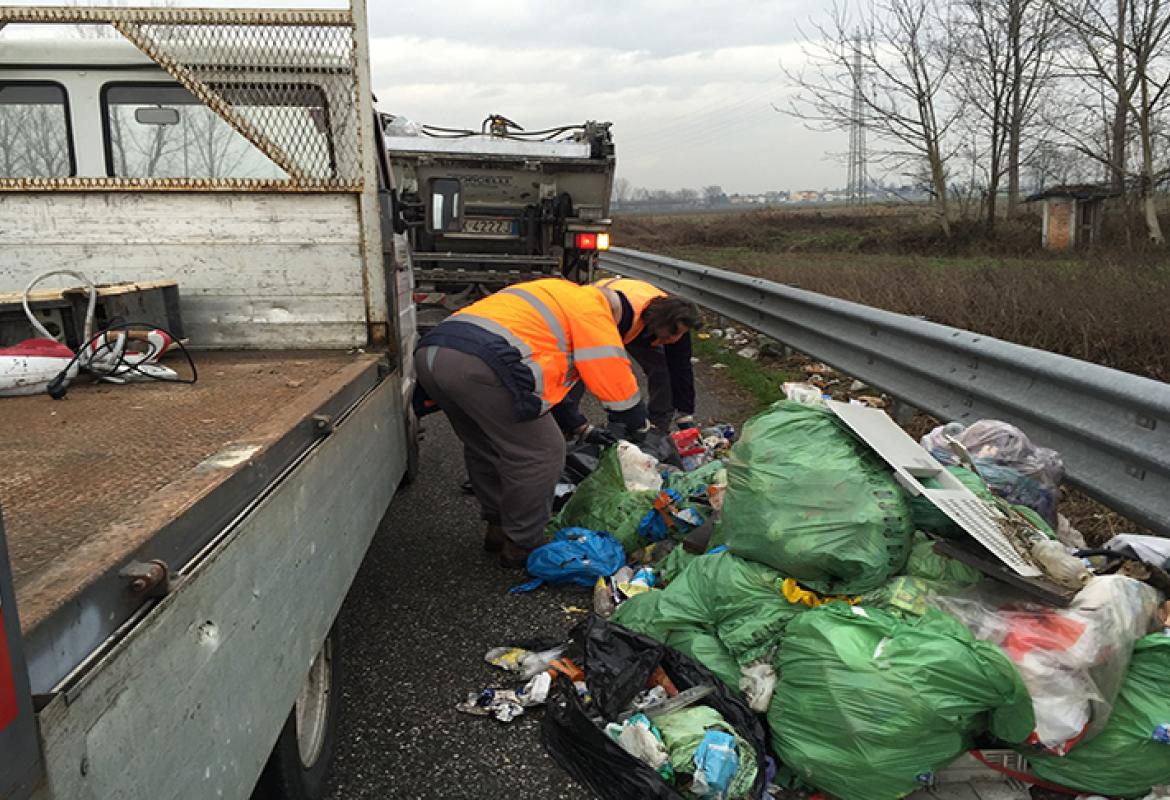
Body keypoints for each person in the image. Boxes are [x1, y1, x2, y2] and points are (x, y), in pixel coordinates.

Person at [414, 278, 649, 568]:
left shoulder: (557, 297)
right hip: (478, 364)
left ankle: (498, 527)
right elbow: (613, 376)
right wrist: (636, 421)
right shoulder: (593, 310)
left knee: (485, 445)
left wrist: (582, 428)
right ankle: (523, 543)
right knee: (541, 453)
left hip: (433, 354)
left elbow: (545, 386)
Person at [552, 277, 701, 436]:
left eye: (680, 334)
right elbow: (610, 371)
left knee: (663, 369)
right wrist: (627, 413)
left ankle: (658, 429)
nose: (674, 338)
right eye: (673, 332)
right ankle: (563, 425)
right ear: (661, 321)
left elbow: (681, 368)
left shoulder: (677, 324)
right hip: (596, 312)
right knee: (581, 368)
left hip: (641, 323)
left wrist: (685, 413)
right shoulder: (623, 313)